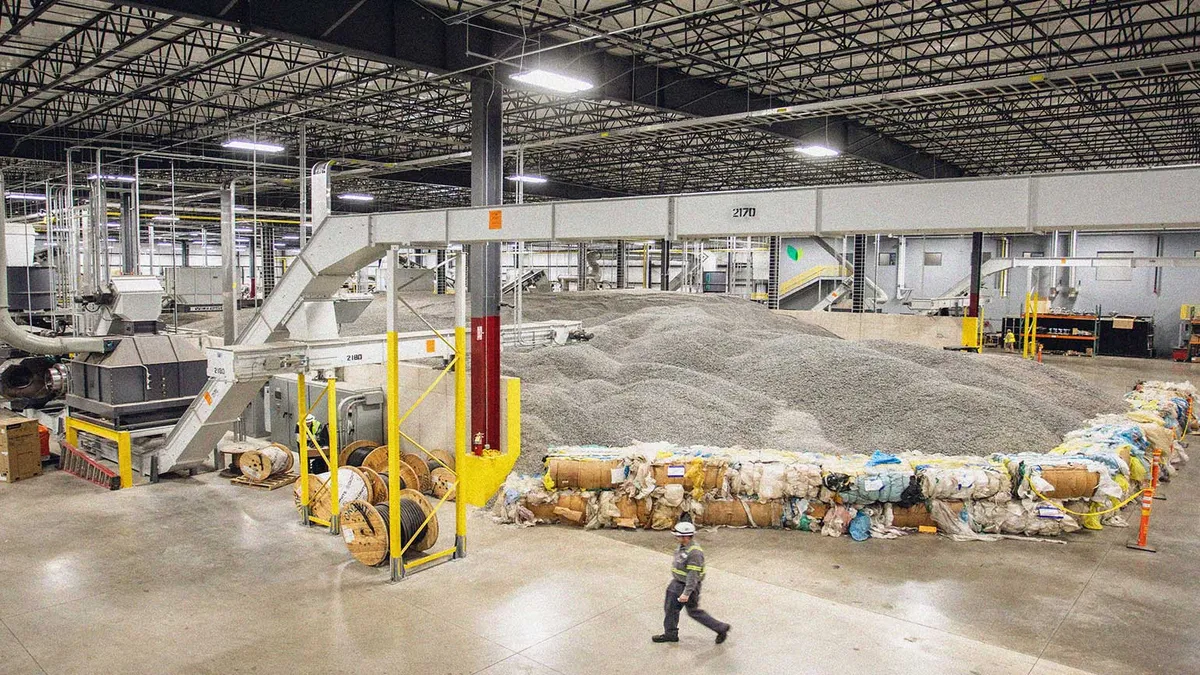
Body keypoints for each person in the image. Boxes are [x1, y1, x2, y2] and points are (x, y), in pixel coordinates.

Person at [652, 521, 731, 644]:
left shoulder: (695, 553)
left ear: (686, 536)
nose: (676, 537)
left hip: (687, 586)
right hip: (676, 583)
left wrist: (686, 593)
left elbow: (693, 576)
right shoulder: (683, 546)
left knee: (693, 611)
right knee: (670, 609)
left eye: (678, 536)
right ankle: (670, 634)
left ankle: (721, 628)